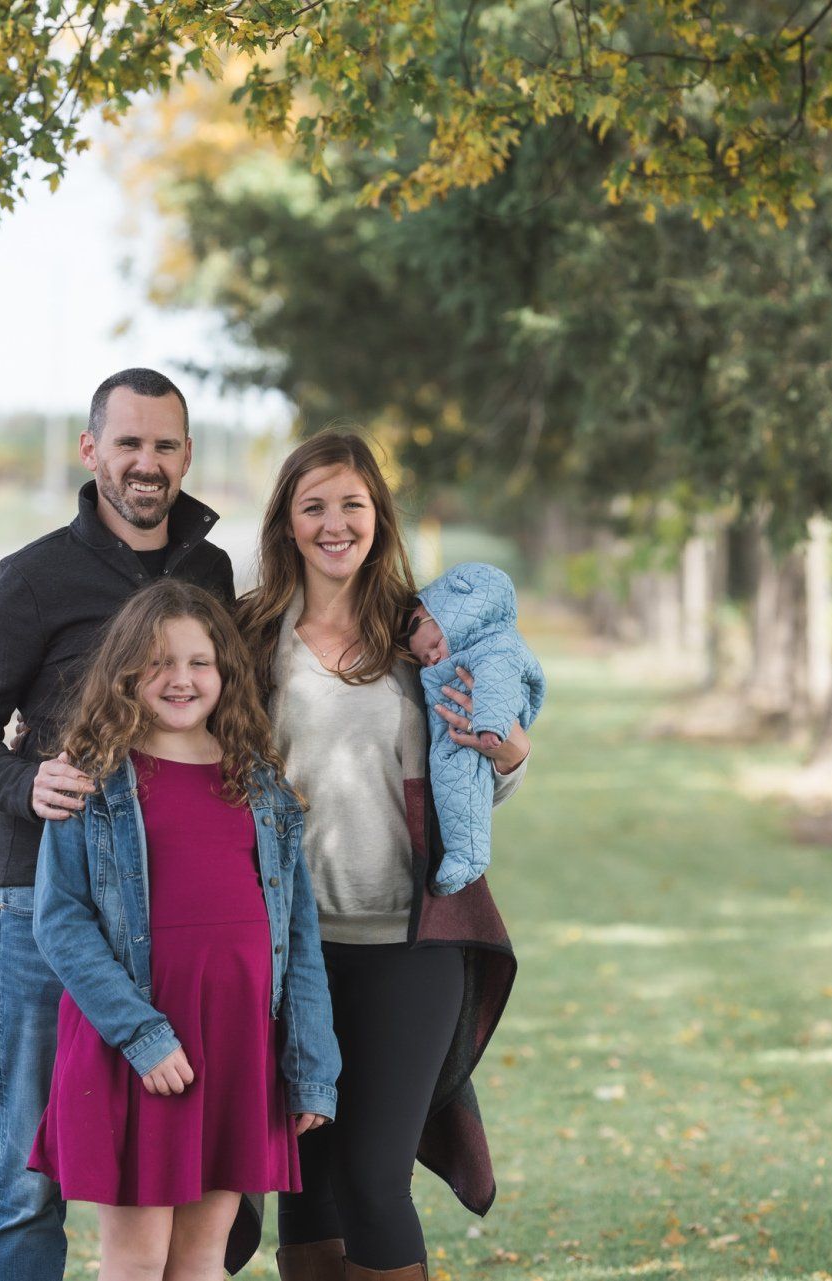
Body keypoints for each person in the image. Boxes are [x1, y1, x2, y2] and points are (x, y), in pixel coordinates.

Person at [0, 368, 235, 1281]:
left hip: (174, 916)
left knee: (179, 1160)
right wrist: (27, 784)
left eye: (166, 445)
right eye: (130, 443)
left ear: (186, 455)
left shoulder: (212, 572)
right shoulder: (32, 577)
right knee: (33, 1170)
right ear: (91, 450)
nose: (147, 464)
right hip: (42, 905)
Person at [234, 432, 533, 1281]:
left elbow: (474, 768)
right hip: (291, 950)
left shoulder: (422, 633)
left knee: (373, 1179)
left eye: (352, 504)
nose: (335, 523)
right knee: (308, 1180)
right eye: (314, 505)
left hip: (411, 943)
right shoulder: (253, 633)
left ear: (379, 517)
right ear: (287, 523)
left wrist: (509, 756)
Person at [28, 580, 338, 1281]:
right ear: (126, 673)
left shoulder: (260, 783)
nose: (181, 679)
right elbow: (60, 921)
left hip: (236, 1041)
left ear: (226, 674)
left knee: (204, 1259)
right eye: (159, 661)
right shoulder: (95, 779)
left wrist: (312, 1063)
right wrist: (141, 1033)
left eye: (200, 662)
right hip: (138, 1044)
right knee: (137, 1261)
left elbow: (299, 933)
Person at [404, 562, 545, 896]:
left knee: (463, 781)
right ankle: (465, 855)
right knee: (456, 782)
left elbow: (497, 680)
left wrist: (494, 730)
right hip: (459, 729)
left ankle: (468, 856)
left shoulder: (495, 645)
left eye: (435, 647)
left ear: (456, 615)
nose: (434, 660)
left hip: (481, 727)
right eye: (426, 659)